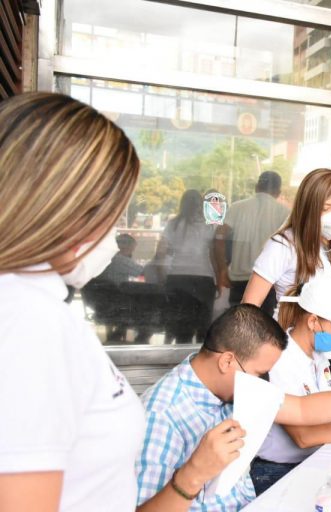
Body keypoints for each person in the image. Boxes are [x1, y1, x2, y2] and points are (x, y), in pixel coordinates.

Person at [0, 92, 145, 510]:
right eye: (111, 214)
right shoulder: (27, 319)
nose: (111, 233)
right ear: (66, 207)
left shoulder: (32, 305)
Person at [135, 303, 331, 511]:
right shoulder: (162, 416)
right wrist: (192, 475)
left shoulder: (234, 387)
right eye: (259, 374)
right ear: (227, 361)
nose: (264, 383)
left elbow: (302, 409)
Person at [251, 276, 331, 493]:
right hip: (276, 471)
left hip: (311, 460)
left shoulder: (319, 357)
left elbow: (326, 414)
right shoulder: (281, 360)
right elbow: (303, 436)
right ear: (312, 322)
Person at [242, 169, 331, 389]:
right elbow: (248, 308)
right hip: (295, 355)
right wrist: (254, 362)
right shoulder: (283, 246)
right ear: (309, 208)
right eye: (326, 208)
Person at [214, 171, 289, 314]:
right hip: (269, 283)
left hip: (239, 281)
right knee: (265, 325)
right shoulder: (284, 213)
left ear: (256, 187)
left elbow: (219, 237)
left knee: (239, 324)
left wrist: (222, 269)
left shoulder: (237, 207)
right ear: (278, 192)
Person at [159, 189, 219, 344]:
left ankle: (180, 355)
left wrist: (162, 277)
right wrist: (218, 279)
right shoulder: (210, 225)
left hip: (177, 277)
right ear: (201, 204)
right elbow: (214, 254)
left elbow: (161, 252)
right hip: (204, 278)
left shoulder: (173, 224)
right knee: (203, 326)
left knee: (182, 326)